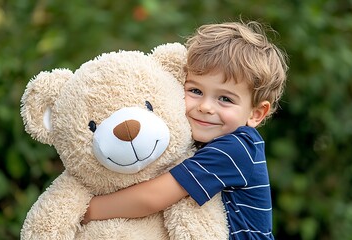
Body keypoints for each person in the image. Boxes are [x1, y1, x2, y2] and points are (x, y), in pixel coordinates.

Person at [82, 20, 288, 240]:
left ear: (256, 113)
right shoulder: (187, 138)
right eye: (195, 90)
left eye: (225, 98)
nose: (206, 107)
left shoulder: (237, 148)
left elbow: (153, 197)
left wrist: (86, 209)